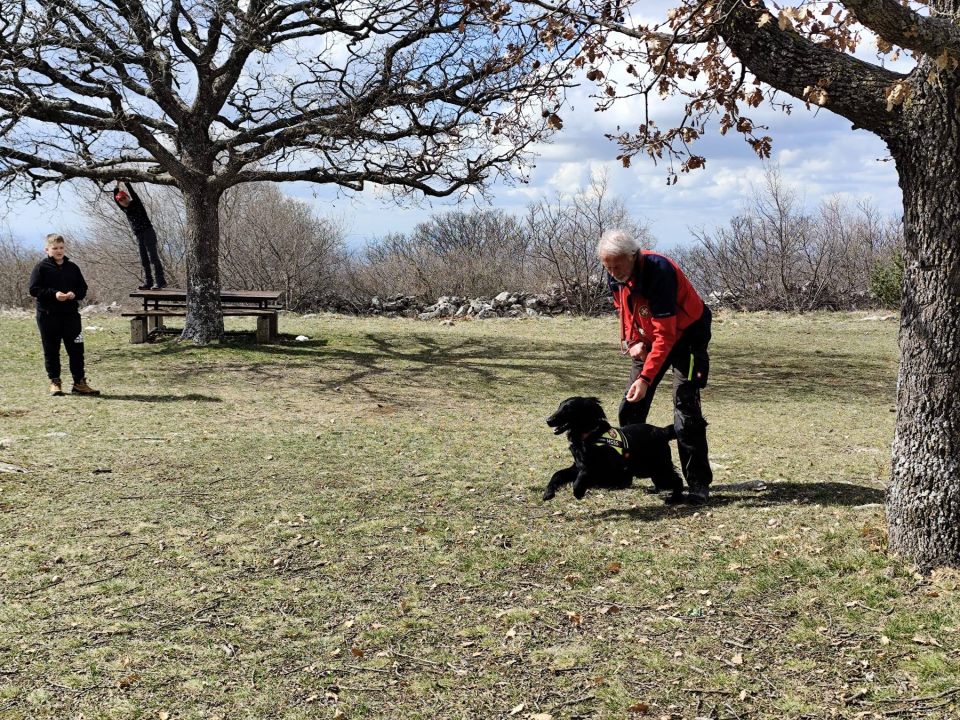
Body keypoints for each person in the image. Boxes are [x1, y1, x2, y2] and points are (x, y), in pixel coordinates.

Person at [598, 228, 712, 504]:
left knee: (686, 411)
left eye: (617, 266)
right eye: (607, 267)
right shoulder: (616, 272)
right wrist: (633, 339)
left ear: (633, 256)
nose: (612, 273)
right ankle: (631, 471)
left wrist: (646, 378)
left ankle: (697, 484)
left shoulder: (659, 271)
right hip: (651, 339)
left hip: (687, 337)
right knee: (630, 407)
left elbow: (667, 335)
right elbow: (624, 309)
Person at [28, 234, 100, 396]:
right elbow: (34, 289)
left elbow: (83, 288)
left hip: (70, 316)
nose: (58, 251)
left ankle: (79, 383)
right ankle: (55, 382)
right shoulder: (41, 268)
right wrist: (54, 294)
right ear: (47, 250)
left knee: (76, 350)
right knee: (51, 349)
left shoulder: (72, 267)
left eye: (61, 248)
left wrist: (74, 293)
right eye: (55, 248)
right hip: (48, 315)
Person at [113, 180, 167, 290]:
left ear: (128, 197)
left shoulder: (136, 203)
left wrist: (126, 182)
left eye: (125, 198)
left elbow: (133, 193)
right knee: (144, 259)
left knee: (153, 257)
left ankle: (160, 280)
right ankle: (149, 282)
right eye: (121, 200)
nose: (124, 201)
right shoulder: (125, 209)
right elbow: (115, 198)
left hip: (148, 231)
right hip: (139, 235)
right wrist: (116, 185)